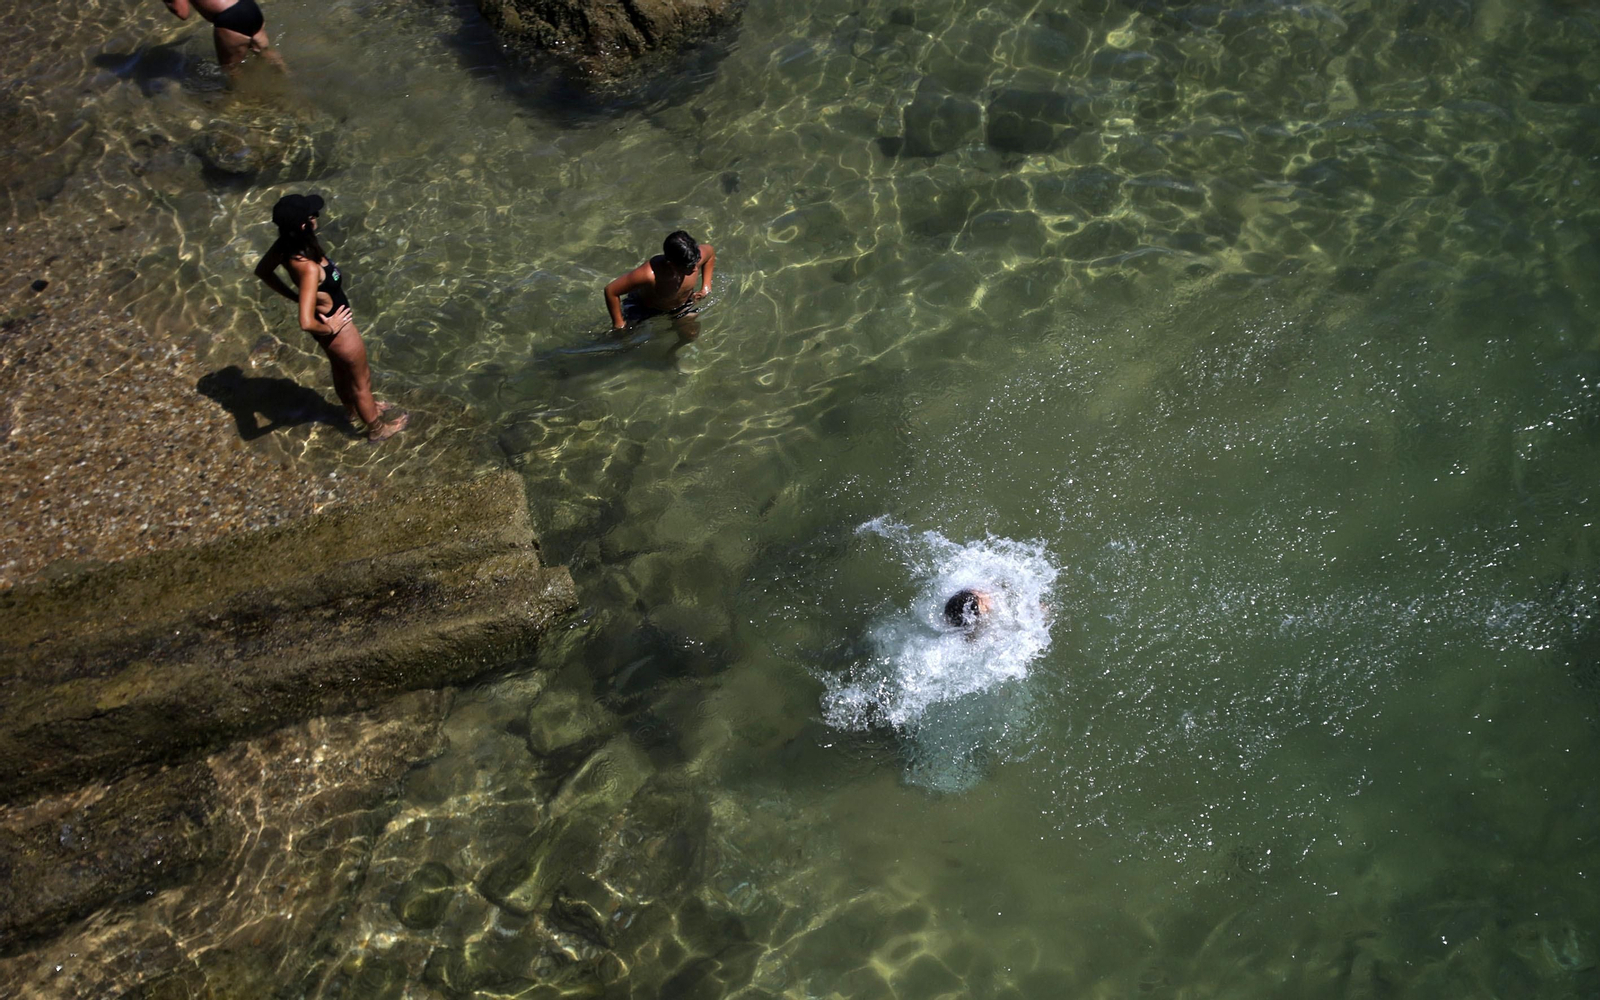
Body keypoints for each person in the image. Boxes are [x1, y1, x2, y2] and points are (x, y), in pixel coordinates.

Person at [253, 193, 408, 442]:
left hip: (327, 328)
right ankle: (378, 429)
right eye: (312, 215)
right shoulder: (309, 267)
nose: (317, 217)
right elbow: (305, 322)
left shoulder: (286, 246)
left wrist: (296, 296)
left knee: (341, 371)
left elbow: (263, 271)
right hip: (337, 331)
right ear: (304, 225)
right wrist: (332, 326)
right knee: (362, 383)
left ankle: (352, 411)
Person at [603, 231, 716, 343]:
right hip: (644, 308)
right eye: (689, 266)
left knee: (690, 335)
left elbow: (710, 253)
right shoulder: (648, 274)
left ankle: (671, 353)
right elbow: (611, 291)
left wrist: (706, 286)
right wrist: (619, 323)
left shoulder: (691, 259)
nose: (695, 269)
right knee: (625, 341)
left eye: (696, 263)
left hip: (681, 304)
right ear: (671, 265)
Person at [160, 0, 286, 76]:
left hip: (229, 18)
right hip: (248, 7)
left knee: (231, 69)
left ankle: (242, 104)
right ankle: (288, 74)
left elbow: (182, 13)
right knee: (263, 52)